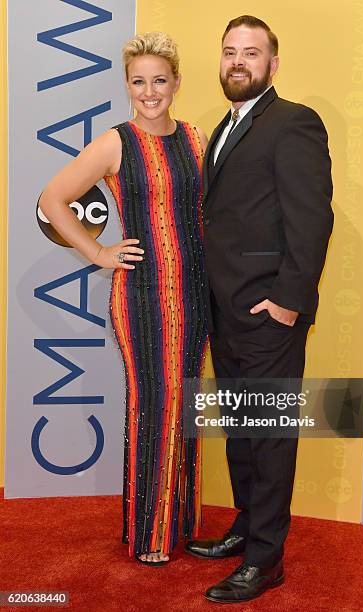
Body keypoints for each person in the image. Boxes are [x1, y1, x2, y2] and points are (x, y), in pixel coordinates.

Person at [39, 32, 209, 565]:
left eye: (159, 81)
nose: (150, 92)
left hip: (197, 293)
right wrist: (98, 253)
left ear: (176, 82)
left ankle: (178, 522)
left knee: (186, 402)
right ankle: (148, 534)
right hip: (141, 294)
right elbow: (53, 199)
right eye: (139, 82)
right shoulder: (116, 141)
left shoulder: (198, 139)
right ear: (127, 85)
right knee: (153, 402)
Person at [185, 15, 333, 602]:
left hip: (270, 313)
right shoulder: (223, 125)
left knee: (270, 437)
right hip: (227, 313)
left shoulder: (293, 122)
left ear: (273, 64)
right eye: (229, 52)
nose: (238, 61)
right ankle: (246, 530)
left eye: (251, 52)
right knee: (244, 432)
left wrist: (289, 303)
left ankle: (267, 560)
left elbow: (311, 219)